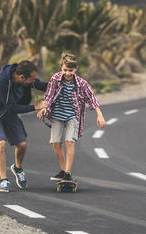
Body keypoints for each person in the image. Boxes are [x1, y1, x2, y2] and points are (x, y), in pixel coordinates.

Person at [0, 60, 47, 192]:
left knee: (22, 144)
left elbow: (42, 85)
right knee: (1, 143)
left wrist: (64, 85)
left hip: (8, 110)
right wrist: (35, 107)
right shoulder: (1, 80)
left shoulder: (25, 76)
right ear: (21, 77)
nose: (33, 81)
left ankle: (17, 167)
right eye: (31, 79)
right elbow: (12, 107)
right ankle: (3, 180)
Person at [37, 52, 106, 182]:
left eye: (71, 70)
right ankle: (63, 171)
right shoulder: (55, 79)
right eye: (65, 70)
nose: (68, 73)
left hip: (73, 115)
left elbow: (92, 99)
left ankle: (68, 173)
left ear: (76, 69)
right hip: (56, 114)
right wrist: (44, 107)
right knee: (56, 143)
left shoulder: (82, 83)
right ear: (61, 68)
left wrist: (100, 115)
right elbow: (48, 96)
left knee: (69, 142)